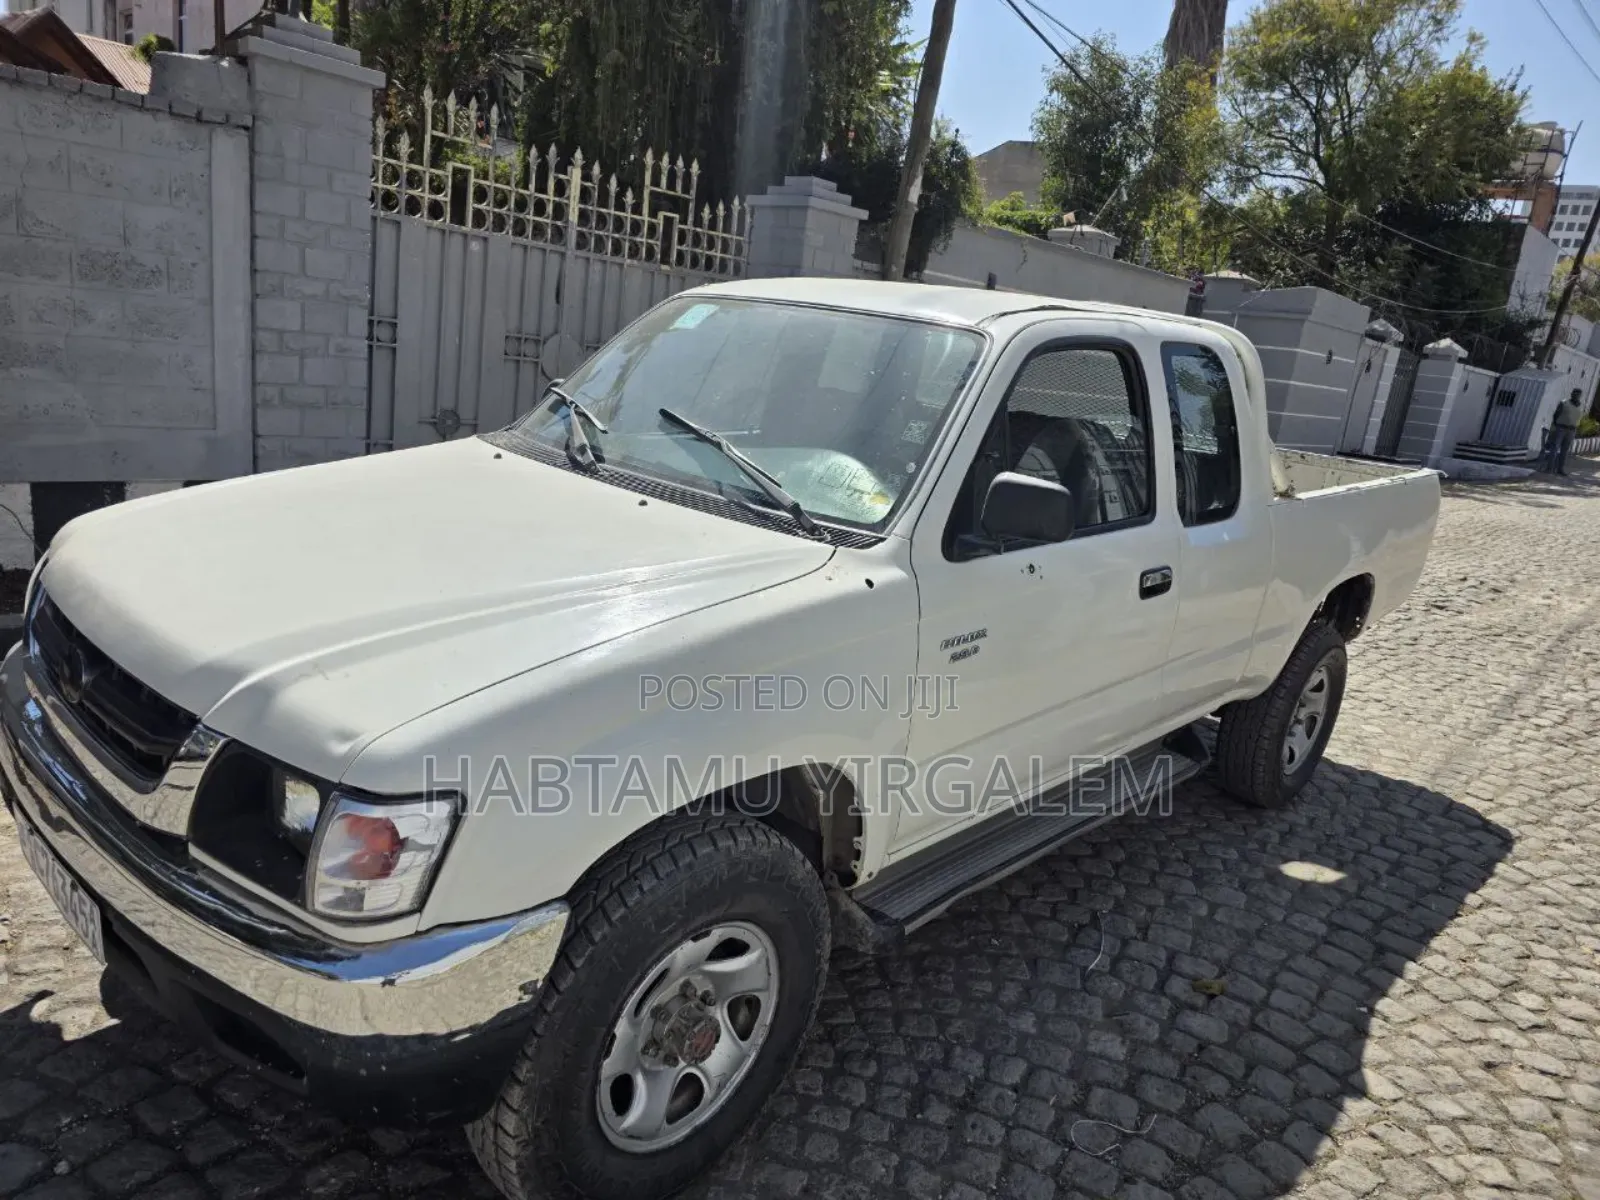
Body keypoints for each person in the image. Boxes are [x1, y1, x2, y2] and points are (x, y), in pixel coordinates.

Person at [1541, 392, 1584, 475]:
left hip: (1572, 430)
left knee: (1565, 450)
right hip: (1561, 428)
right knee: (1555, 448)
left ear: (1580, 396)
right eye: (1575, 394)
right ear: (1571, 394)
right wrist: (1555, 426)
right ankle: (1549, 468)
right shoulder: (1564, 403)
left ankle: (1560, 469)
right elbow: (1556, 415)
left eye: (1578, 395)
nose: (1576, 396)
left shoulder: (1580, 406)